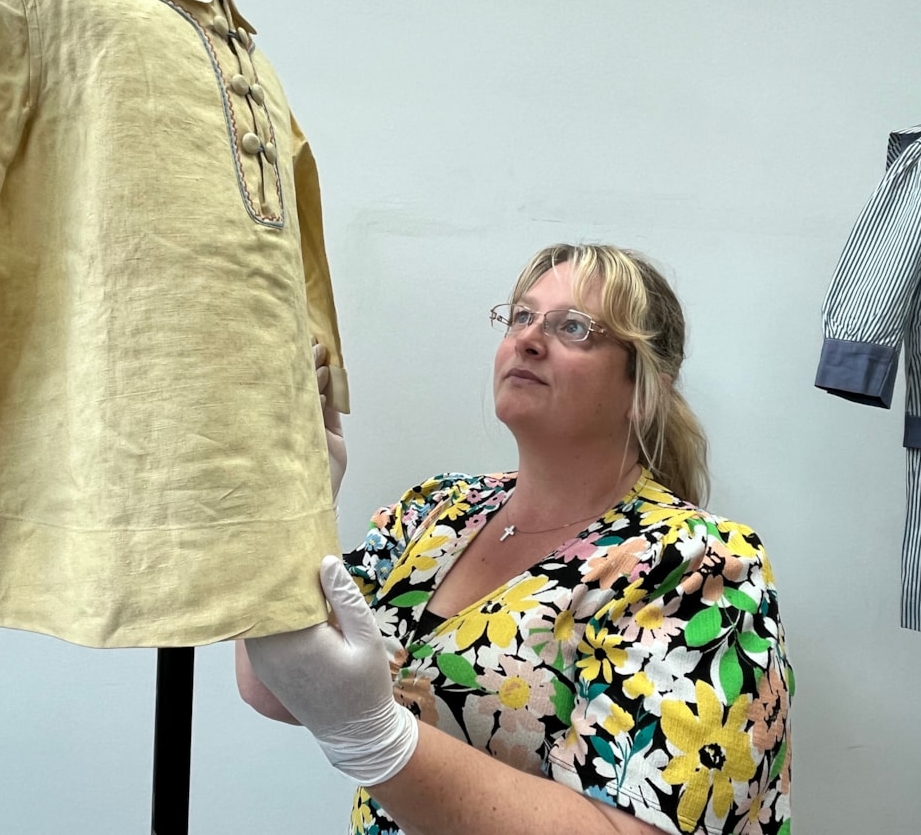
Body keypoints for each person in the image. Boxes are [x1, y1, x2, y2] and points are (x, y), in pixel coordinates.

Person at [239, 243, 793, 835]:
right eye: (522, 317)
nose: (528, 340)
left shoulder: (694, 564)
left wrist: (378, 737)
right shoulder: (436, 510)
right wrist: (290, 512)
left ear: (648, 386)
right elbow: (275, 688)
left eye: (574, 328)